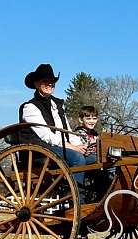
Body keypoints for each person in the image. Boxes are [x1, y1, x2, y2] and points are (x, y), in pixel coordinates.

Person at [19, 63, 95, 203]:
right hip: (41, 151)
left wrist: (80, 145)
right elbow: (46, 136)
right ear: (36, 84)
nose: (50, 85)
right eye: (45, 82)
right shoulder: (30, 107)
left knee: (96, 158)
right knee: (77, 159)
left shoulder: (57, 105)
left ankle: (98, 202)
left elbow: (67, 130)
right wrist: (72, 148)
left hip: (61, 148)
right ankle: (76, 203)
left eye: (52, 82)